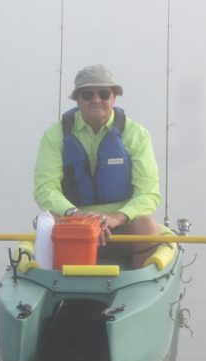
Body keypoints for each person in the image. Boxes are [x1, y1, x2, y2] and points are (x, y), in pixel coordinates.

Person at [34, 64, 161, 269]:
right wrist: (78, 217)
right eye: (87, 95)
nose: (96, 100)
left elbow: (148, 194)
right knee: (48, 223)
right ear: (77, 99)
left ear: (114, 97)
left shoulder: (137, 134)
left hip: (120, 227)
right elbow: (45, 189)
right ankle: (55, 286)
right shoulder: (54, 136)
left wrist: (114, 218)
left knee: (146, 225)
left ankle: (139, 285)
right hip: (74, 224)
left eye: (103, 93)